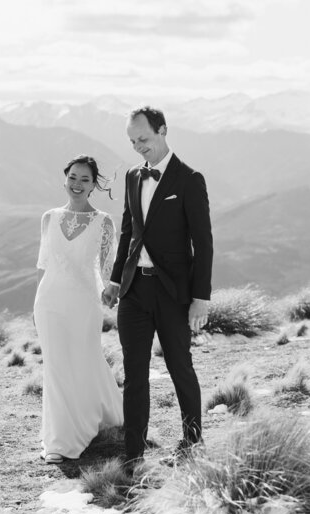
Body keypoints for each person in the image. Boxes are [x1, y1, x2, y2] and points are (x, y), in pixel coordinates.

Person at [102, 106, 213, 470]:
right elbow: (128, 232)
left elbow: (204, 243)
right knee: (135, 373)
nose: (138, 147)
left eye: (144, 139)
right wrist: (117, 279)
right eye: (132, 141)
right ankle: (133, 452)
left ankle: (192, 442)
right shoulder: (133, 176)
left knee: (181, 367)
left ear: (163, 130)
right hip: (134, 290)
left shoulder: (190, 179)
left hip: (173, 293)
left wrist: (200, 298)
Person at [33, 154, 124, 464]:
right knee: (56, 367)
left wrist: (112, 292)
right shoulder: (49, 218)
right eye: (73, 177)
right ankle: (60, 441)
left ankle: (104, 414)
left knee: (86, 360)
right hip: (49, 303)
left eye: (84, 179)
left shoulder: (104, 222)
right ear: (65, 178)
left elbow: (108, 268)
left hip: (85, 303)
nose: (77, 184)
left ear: (93, 185)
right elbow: (46, 266)